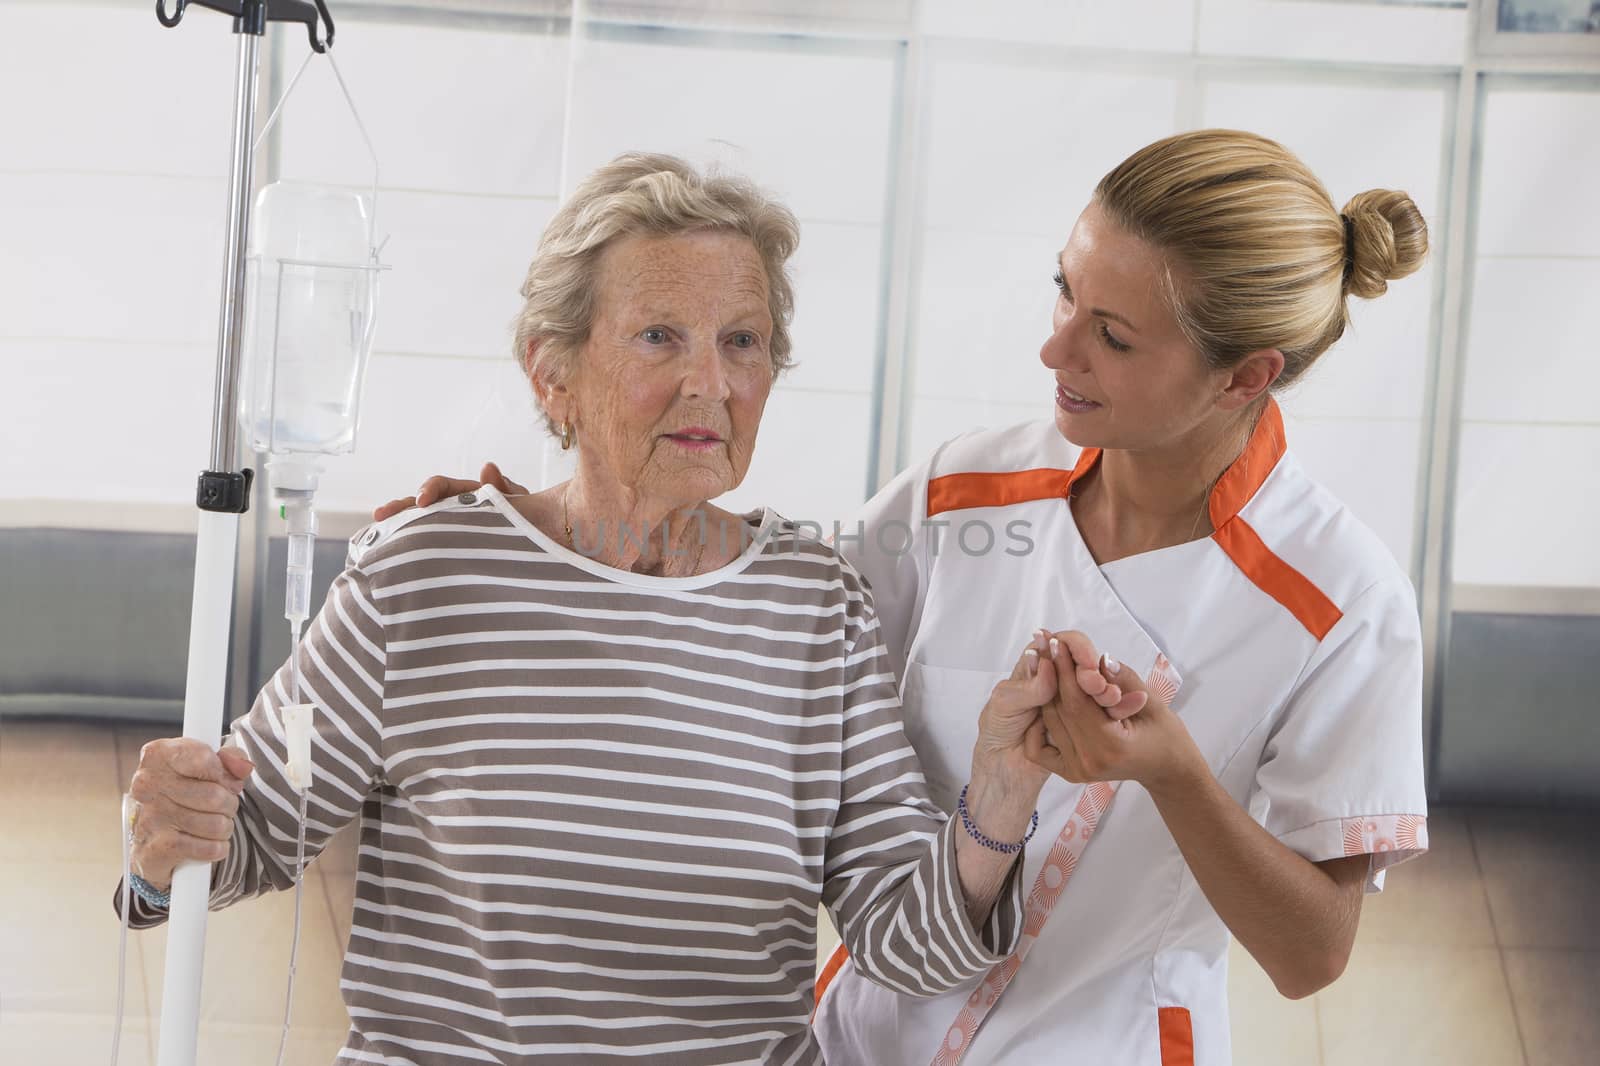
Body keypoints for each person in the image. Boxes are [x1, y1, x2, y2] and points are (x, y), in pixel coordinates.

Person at [394, 130, 1432, 1065]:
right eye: (1062, 292)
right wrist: (546, 532)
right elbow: (760, 619)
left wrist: (1172, 776)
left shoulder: (1340, 606)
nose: (1054, 348)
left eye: (1111, 336)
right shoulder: (966, 491)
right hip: (858, 1037)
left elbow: (1311, 955)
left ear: (1242, 378)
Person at [116, 153, 1062, 1065]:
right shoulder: (418, 581)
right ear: (550, 372)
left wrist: (1002, 797)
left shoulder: (818, 610)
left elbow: (911, 944)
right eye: (660, 336)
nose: (711, 384)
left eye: (743, 341)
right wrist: (165, 840)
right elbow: (245, 834)